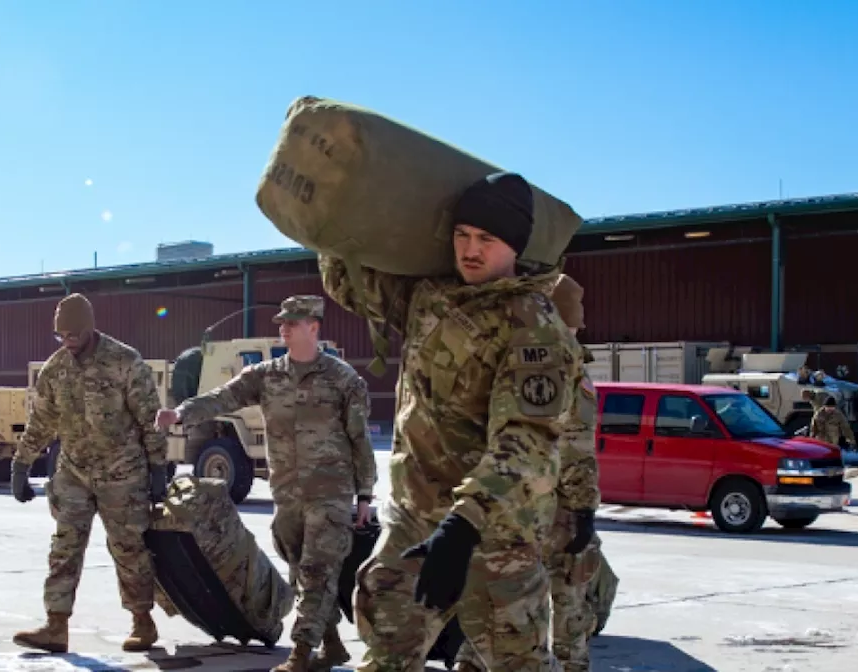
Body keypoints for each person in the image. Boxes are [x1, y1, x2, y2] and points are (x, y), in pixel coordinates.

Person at [319, 171, 583, 671]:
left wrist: (463, 527)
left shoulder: (534, 327)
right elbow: (351, 285)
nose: (470, 249)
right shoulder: (430, 297)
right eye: (462, 235)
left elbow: (524, 440)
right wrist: (331, 217)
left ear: (515, 247)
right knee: (386, 653)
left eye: (487, 239)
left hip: (493, 538)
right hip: (416, 522)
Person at [155, 295, 376, 672]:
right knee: (299, 569)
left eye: (293, 322)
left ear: (314, 327)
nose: (284, 328)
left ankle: (302, 653)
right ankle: (333, 644)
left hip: (331, 493)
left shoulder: (343, 380)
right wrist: (181, 413)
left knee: (317, 571)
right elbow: (223, 397)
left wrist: (365, 495)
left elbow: (360, 439)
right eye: (281, 323)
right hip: (287, 494)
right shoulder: (267, 375)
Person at [452, 273, 602, 672]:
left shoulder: (504, 357)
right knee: (568, 611)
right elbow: (577, 450)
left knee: (496, 610)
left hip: (507, 510)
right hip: (555, 512)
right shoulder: (569, 368)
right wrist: (584, 510)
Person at [9, 293, 167, 653]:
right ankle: (55, 626)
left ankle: (143, 622)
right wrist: (21, 464)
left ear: (89, 327)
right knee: (64, 547)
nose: (67, 340)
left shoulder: (124, 361)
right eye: (61, 335)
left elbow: (150, 418)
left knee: (129, 549)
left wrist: (158, 468)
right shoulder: (55, 368)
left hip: (122, 473)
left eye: (73, 333)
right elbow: (42, 421)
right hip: (74, 472)